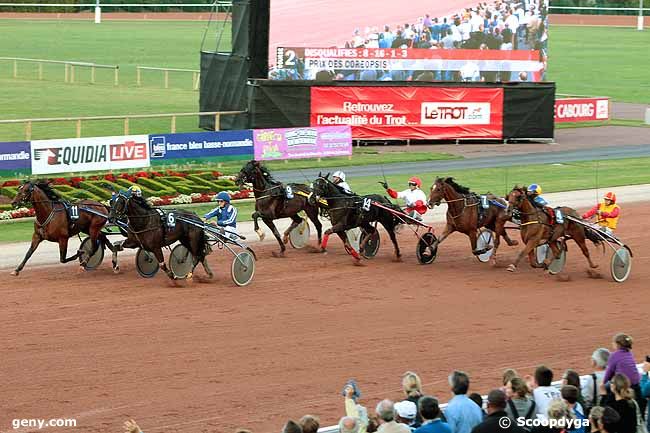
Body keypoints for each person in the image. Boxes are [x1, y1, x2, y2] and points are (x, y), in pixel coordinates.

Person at [603, 333, 642, 415]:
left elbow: (609, 372)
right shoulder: (629, 353)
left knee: (606, 390)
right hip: (636, 385)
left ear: (617, 344)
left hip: (624, 385)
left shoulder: (614, 355)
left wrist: (603, 383)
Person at [581, 348, 610, 416]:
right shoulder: (614, 375)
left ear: (594, 362)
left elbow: (586, 399)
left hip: (599, 413)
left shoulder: (592, 379)